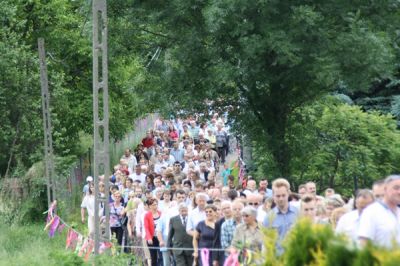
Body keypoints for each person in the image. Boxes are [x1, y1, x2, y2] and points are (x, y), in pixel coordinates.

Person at [358, 175, 400, 248]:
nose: (399, 192)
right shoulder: (371, 212)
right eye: (396, 188)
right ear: (385, 189)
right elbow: (364, 245)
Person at [263, 178, 299, 255]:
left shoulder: (298, 213)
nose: (281, 199)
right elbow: (266, 243)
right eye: (278, 196)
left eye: (283, 195)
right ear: (273, 196)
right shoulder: (269, 218)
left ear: (288, 194)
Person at [144, 198, 162, 266]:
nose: (155, 206)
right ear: (150, 206)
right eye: (154, 205)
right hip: (152, 238)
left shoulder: (160, 213)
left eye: (156, 204)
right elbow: (146, 227)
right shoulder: (147, 215)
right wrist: (149, 238)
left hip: (160, 238)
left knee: (161, 256)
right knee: (153, 256)